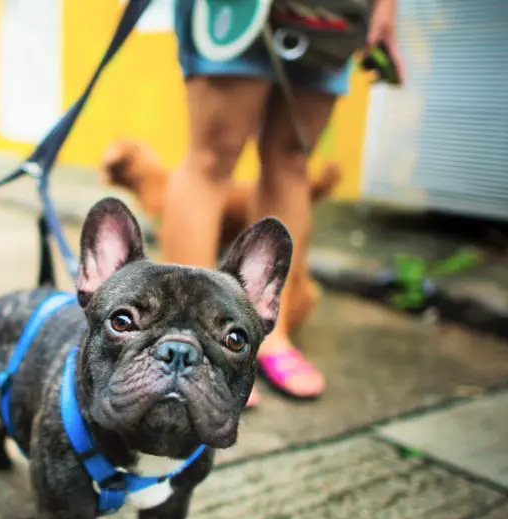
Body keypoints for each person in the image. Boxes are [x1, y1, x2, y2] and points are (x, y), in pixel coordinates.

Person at [160, 0, 403, 406]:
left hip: (333, 11)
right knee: (213, 156)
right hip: (238, 10)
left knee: (292, 160)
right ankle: (189, 337)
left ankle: (269, 337)